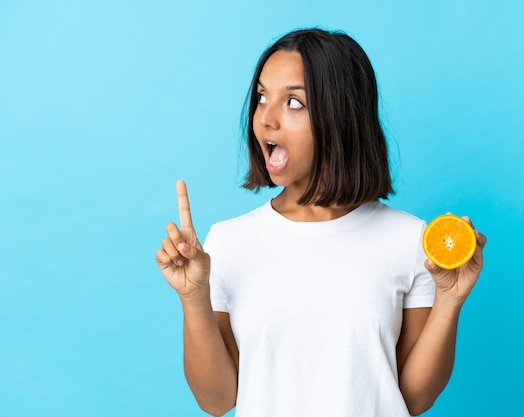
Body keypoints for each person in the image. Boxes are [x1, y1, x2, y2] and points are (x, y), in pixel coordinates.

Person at [156, 28, 487, 417]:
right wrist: (193, 298)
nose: (266, 118)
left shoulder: (409, 239)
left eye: (294, 102)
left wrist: (449, 302)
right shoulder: (228, 243)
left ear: (341, 117)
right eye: (262, 97)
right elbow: (217, 400)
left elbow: (412, 398)